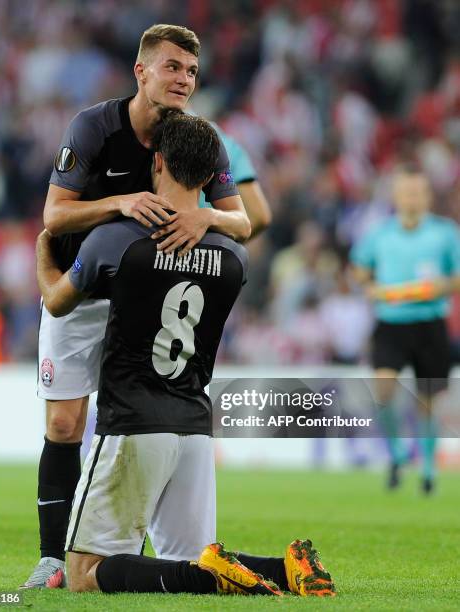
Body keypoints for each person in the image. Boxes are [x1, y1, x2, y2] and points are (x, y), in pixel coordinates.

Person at [36, 111, 335, 597]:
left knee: (84, 573)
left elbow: (56, 300)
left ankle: (217, 579)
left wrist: (43, 251)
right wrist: (215, 219)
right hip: (195, 425)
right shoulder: (234, 258)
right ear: (213, 174)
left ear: (156, 162)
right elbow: (236, 228)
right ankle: (286, 568)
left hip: (133, 424)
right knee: (184, 560)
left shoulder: (114, 242)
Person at [23, 24, 252, 588]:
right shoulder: (95, 127)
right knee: (64, 420)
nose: (184, 80)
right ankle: (54, 557)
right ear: (141, 71)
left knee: (140, 419)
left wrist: (208, 216)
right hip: (85, 286)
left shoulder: (199, 139)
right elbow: (54, 216)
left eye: (192, 71)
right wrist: (119, 202)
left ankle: (125, 553)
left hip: (147, 292)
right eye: (172, 67)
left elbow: (242, 221)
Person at [351, 165, 460, 493]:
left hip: (430, 323)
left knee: (427, 401)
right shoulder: (380, 233)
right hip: (391, 322)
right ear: (396, 197)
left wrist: (441, 286)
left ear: (427, 197)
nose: (412, 198)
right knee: (383, 389)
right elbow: (359, 268)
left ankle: (427, 469)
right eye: (406, 192)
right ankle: (398, 453)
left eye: (417, 192)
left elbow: (456, 277)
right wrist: (369, 286)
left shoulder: (445, 232)